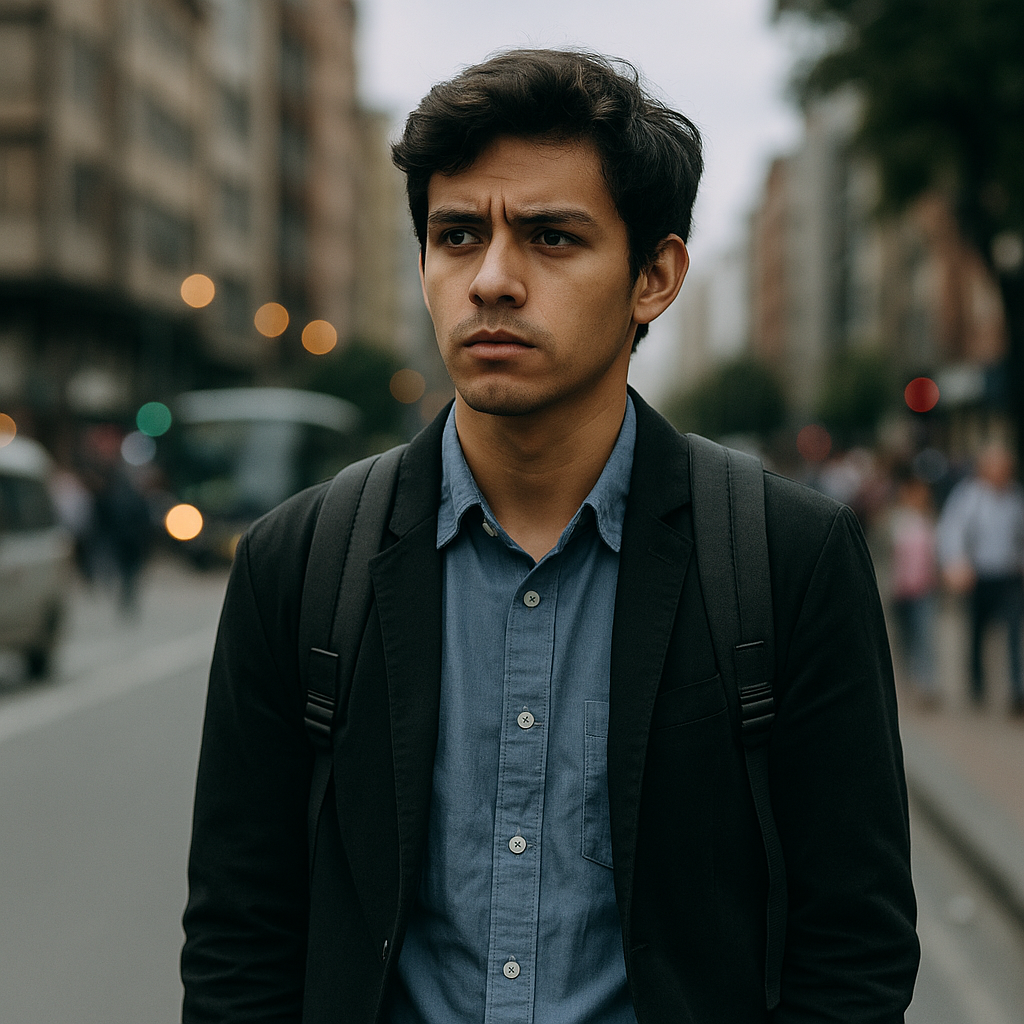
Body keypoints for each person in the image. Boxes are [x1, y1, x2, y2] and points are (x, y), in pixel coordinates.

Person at [181, 49, 918, 1023]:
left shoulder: (787, 558)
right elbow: (240, 941)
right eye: (455, 236)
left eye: (550, 238)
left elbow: (853, 945)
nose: (491, 280)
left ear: (653, 276)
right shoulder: (298, 565)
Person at [937, 440, 1024, 714]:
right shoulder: (969, 496)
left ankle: (1016, 689)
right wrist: (956, 564)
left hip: (1008, 576)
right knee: (977, 633)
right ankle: (977, 684)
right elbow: (951, 532)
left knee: (1013, 632)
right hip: (978, 575)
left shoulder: (1015, 497)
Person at [888, 472, 940, 705]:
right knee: (904, 638)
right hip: (898, 590)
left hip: (923, 590)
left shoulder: (929, 521)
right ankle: (907, 679)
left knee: (924, 636)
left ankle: (925, 682)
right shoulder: (895, 521)